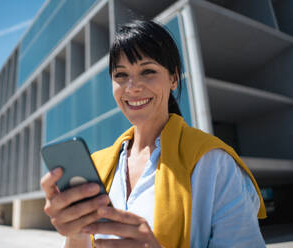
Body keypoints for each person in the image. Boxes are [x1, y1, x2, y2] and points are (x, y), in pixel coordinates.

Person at [40, 20, 267, 248]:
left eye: (148, 71)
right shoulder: (98, 167)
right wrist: (77, 234)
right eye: (120, 75)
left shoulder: (213, 162)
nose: (132, 87)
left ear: (174, 78)